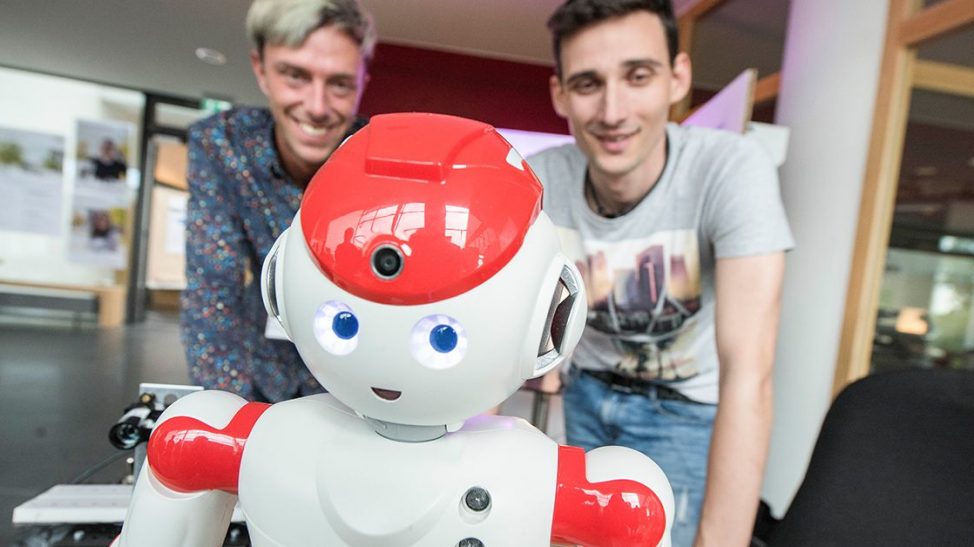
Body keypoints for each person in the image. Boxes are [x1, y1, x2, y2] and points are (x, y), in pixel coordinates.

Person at [526, 1, 793, 546]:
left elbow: (750, 373)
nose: (613, 110)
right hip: (587, 393)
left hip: (687, 409)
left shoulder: (729, 169)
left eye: (638, 76)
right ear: (560, 95)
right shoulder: (539, 179)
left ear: (679, 78)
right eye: (587, 84)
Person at [181, 0, 375, 402]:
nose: (317, 106)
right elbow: (213, 293)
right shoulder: (222, 145)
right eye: (294, 75)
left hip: (359, 383)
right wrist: (229, 417)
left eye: (340, 83)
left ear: (362, 81)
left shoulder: (381, 157)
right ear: (261, 69)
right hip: (259, 374)